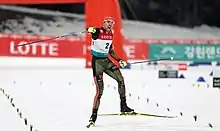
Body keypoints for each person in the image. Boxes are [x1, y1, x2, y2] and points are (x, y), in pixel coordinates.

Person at [86, 16, 134, 125]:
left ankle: (124, 106)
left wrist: (119, 60)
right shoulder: (98, 31)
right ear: (103, 23)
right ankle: (93, 117)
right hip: (97, 63)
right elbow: (92, 31)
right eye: (108, 22)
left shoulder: (110, 33)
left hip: (107, 61)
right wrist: (90, 29)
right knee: (100, 92)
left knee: (121, 80)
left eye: (112, 22)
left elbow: (110, 50)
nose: (110, 24)